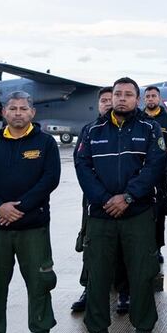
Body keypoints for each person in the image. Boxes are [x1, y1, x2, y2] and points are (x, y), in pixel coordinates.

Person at [74, 77, 167, 333]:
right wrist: (104, 199)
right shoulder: (91, 131)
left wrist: (127, 197)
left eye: (129, 94)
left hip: (137, 214)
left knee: (141, 275)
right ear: (111, 98)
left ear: (137, 99)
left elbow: (154, 166)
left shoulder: (151, 129)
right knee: (98, 276)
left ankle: (145, 332)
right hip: (101, 216)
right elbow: (83, 166)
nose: (122, 98)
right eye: (118, 94)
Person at [0, 92, 60, 333]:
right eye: (13, 108)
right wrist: (0, 207)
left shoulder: (45, 144)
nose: (18, 113)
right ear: (4, 112)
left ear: (32, 113)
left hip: (33, 226)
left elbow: (50, 179)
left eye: (23, 108)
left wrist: (20, 208)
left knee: (39, 280)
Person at [71, 87, 118, 313]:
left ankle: (123, 290)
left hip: (125, 200)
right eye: (103, 101)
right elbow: (80, 164)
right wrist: (100, 196)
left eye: (111, 99)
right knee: (90, 244)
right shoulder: (89, 130)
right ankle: (88, 288)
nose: (108, 104)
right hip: (93, 199)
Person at [143, 85, 167, 266]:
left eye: (153, 96)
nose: (150, 99)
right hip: (140, 174)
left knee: (159, 212)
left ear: (159, 99)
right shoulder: (138, 118)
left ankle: (157, 248)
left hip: (160, 176)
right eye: (147, 96)